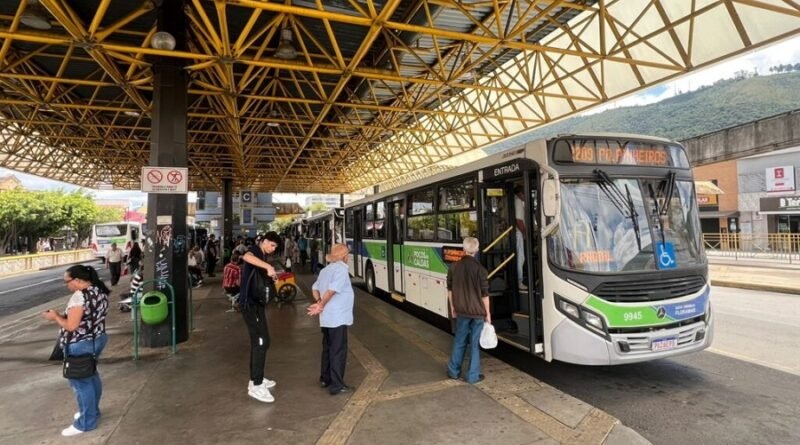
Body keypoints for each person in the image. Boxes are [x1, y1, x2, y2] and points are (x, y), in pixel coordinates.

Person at [42, 265, 110, 437]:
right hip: (97, 338)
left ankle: (86, 422)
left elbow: (71, 326)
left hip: (80, 343)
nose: (67, 285)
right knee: (91, 376)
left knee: (81, 383)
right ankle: (92, 412)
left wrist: (56, 317)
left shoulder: (79, 297)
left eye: (67, 281)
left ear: (78, 280)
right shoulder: (99, 290)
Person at [308, 244, 355, 395]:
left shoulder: (324, 270)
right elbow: (332, 290)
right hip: (337, 317)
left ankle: (325, 378)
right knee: (338, 350)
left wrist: (318, 303)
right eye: (347, 254)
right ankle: (337, 385)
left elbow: (314, 288)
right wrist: (321, 304)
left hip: (327, 318)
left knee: (327, 348)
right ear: (344, 257)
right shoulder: (341, 269)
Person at [238, 232, 280, 403]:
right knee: (261, 341)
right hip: (250, 305)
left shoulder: (262, 254)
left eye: (275, 247)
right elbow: (246, 257)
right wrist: (268, 267)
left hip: (257, 305)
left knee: (263, 341)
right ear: (264, 242)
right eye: (272, 245)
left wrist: (272, 275)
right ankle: (256, 386)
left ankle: (257, 379)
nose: (273, 249)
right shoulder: (255, 250)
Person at [446, 237, 490, 384]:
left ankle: (453, 372)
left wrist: (453, 307)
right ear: (476, 251)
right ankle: (473, 376)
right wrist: (488, 314)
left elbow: (450, 290)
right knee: (475, 344)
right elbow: (485, 296)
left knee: (459, 341)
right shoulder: (481, 270)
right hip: (477, 313)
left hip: (461, 312)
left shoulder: (453, 268)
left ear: (463, 250)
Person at [514, 185, 527, 290]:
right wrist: (525, 232)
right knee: (520, 258)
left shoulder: (511, 200)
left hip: (514, 234)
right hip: (518, 234)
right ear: (521, 193)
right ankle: (519, 281)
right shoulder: (518, 201)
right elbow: (519, 220)